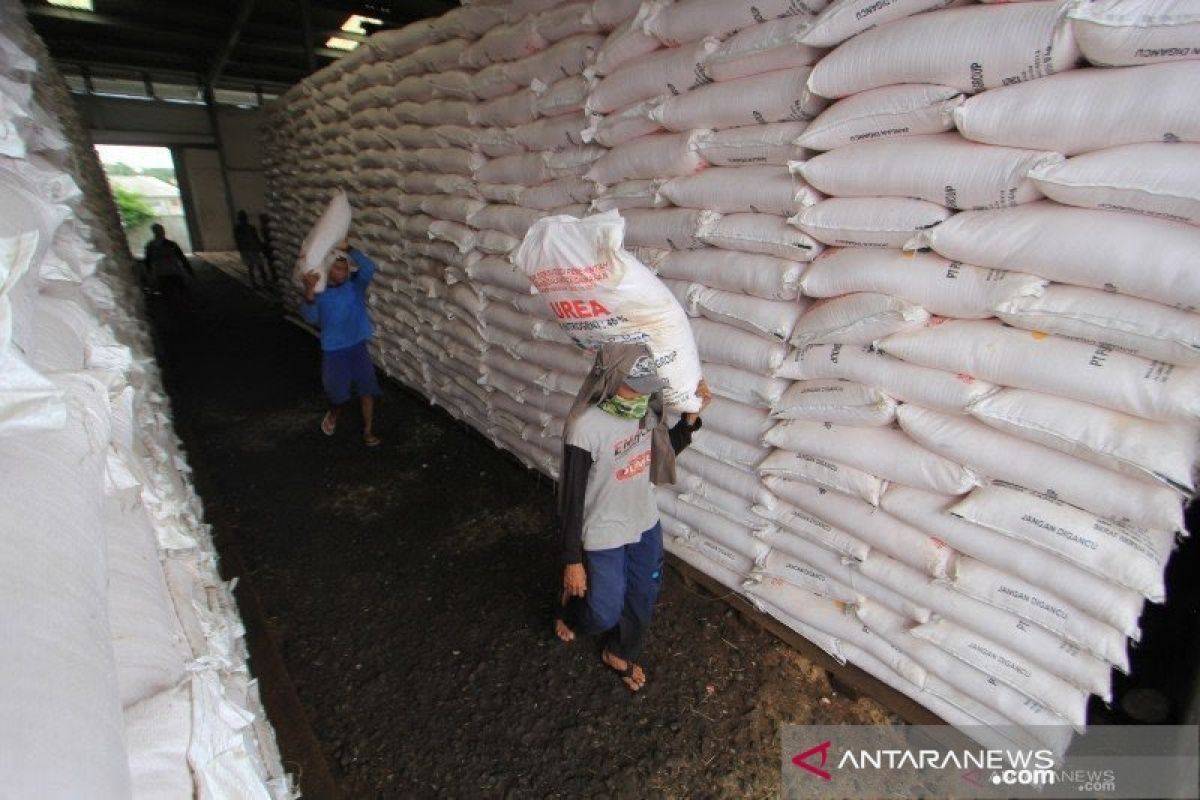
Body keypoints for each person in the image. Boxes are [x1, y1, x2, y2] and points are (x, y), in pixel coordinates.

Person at [554, 343, 711, 692]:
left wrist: (689, 422)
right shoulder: (584, 427)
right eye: (633, 387)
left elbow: (660, 454)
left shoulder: (646, 413)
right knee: (603, 613)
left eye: (646, 388)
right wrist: (572, 561)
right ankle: (573, 607)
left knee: (644, 593)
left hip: (643, 522)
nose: (641, 395)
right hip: (603, 532)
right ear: (610, 380)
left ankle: (619, 651)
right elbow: (571, 499)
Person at [300, 241, 382, 447]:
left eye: (345, 268)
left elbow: (370, 268)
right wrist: (309, 292)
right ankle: (334, 413)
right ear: (328, 269)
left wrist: (349, 249)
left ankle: (368, 431)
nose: (343, 272)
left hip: (357, 346)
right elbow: (309, 318)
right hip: (334, 350)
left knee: (367, 389)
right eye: (338, 268)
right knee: (338, 395)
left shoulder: (355, 286)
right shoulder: (320, 294)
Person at [142, 223, 195, 310]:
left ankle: (176, 310)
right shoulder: (170, 244)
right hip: (171, 272)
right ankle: (183, 309)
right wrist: (189, 271)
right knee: (181, 293)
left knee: (170, 294)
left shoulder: (151, 246)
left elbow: (148, 261)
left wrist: (148, 274)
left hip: (165, 273)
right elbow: (182, 258)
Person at [234, 210, 273, 289]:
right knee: (258, 266)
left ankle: (255, 283)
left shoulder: (238, 229)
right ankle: (262, 282)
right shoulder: (249, 228)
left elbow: (237, 240)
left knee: (252, 266)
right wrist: (260, 246)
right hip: (252, 248)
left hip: (247, 249)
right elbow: (256, 238)